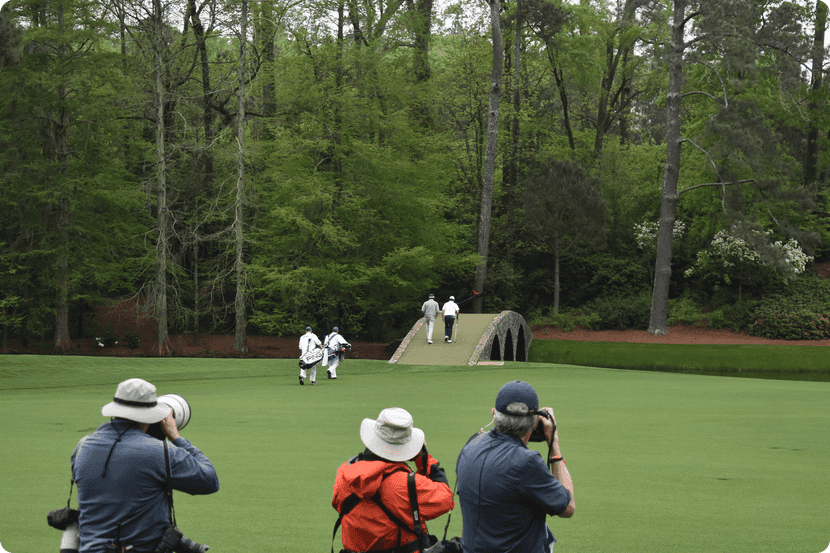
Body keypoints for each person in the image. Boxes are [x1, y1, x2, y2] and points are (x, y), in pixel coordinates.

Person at [71, 378, 220, 553]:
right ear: (151, 414)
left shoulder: (82, 446)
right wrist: (175, 436)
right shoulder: (159, 452)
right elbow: (209, 480)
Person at [455, 380, 575, 553]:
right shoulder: (526, 462)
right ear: (535, 424)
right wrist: (553, 443)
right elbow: (568, 507)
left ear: (494, 415)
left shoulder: (471, 445)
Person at [332, 408, 455, 553]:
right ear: (407, 446)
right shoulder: (410, 484)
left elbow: (337, 504)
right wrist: (424, 459)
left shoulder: (345, 473)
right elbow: (446, 499)